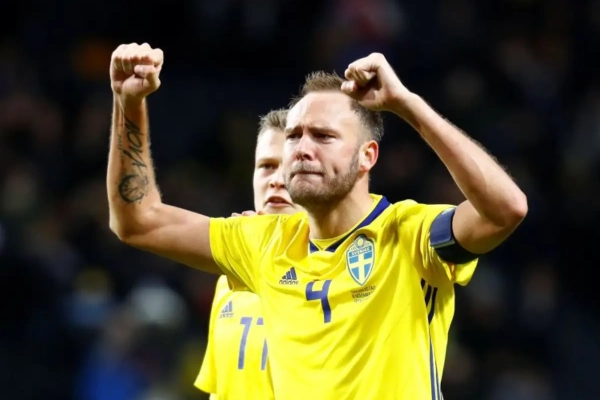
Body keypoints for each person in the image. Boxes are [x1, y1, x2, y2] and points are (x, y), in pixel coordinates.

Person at [108, 43, 527, 399]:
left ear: (367, 157)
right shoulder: (263, 242)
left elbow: (505, 209)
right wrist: (128, 103)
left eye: (323, 136)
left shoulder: (409, 233)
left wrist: (407, 105)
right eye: (294, 136)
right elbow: (138, 221)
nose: (302, 149)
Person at [195, 109, 301, 400]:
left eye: (291, 167)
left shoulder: (340, 277)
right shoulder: (228, 283)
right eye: (266, 166)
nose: (277, 180)